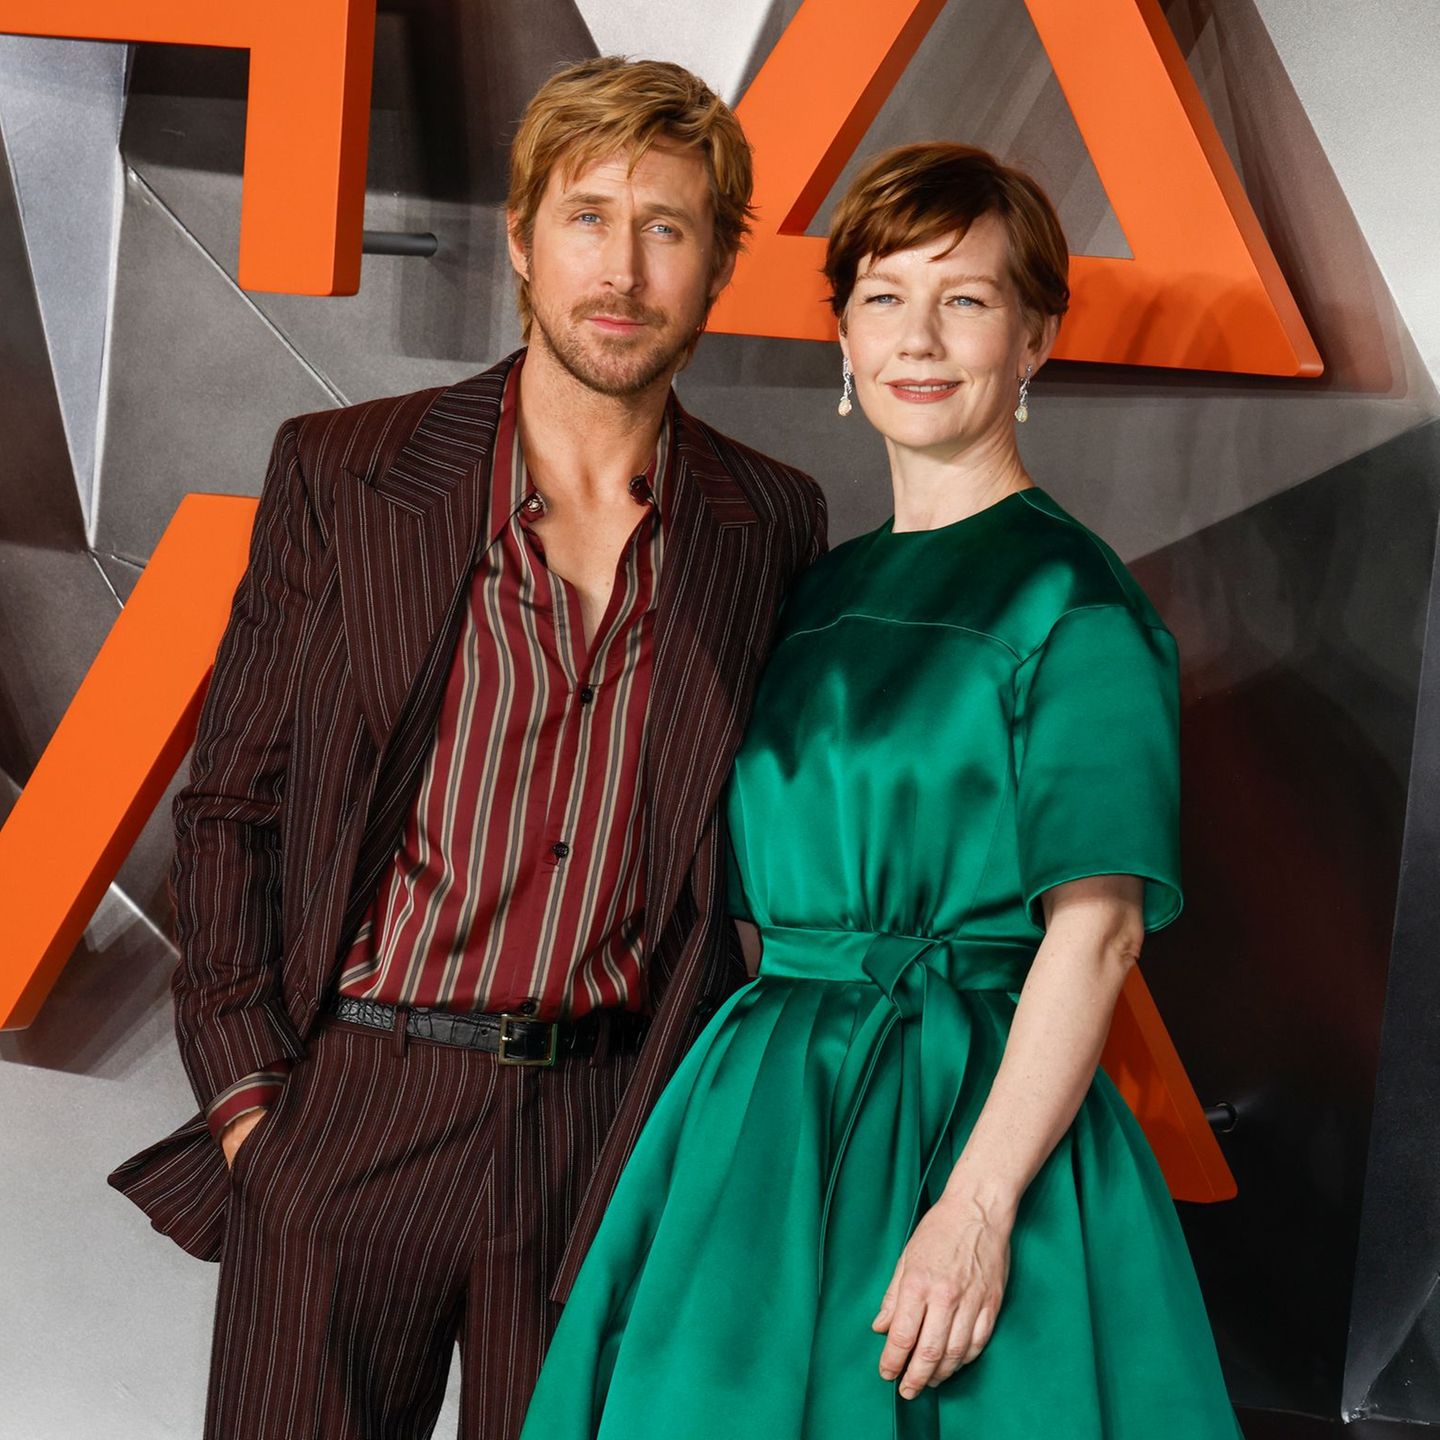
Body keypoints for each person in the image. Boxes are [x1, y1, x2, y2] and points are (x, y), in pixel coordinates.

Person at [107, 56, 826, 1440]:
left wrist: (675, 1139)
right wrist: (258, 1106)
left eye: (667, 228)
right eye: (588, 216)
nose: (621, 267)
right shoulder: (347, 471)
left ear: (719, 267)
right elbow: (234, 803)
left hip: (608, 1126)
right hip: (357, 1100)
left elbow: (741, 860)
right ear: (521, 238)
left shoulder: (770, 522)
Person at [519, 141, 1242, 1438]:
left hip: (970, 1117)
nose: (920, 337)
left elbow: (1102, 927)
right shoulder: (816, 592)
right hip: (764, 1117)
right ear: (843, 336)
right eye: (884, 297)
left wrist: (973, 1210)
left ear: (1035, 340)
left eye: (965, 299)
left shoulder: (1075, 603)